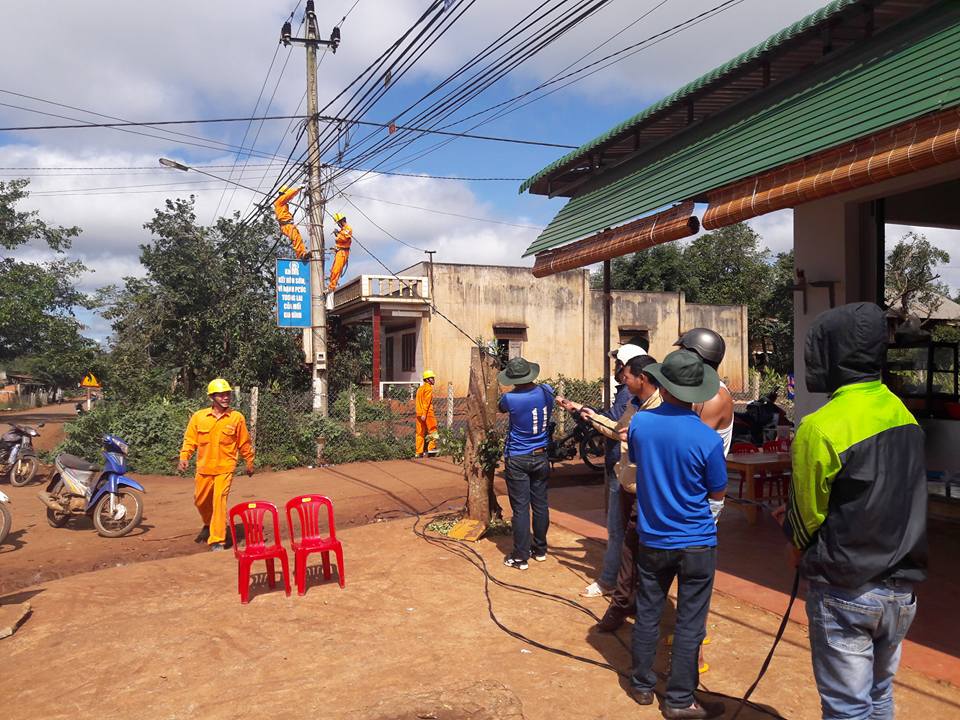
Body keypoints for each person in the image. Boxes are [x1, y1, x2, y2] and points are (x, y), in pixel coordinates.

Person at [778, 303, 927, 719]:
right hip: (901, 592)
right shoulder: (904, 416)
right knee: (880, 695)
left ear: (829, 356)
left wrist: (794, 544)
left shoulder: (820, 426)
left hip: (846, 590)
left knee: (846, 707)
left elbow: (807, 516)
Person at [627, 350, 727, 718]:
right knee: (689, 622)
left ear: (663, 386)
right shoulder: (707, 439)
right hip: (697, 540)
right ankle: (680, 699)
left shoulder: (641, 423)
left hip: (653, 537)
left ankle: (641, 684)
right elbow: (717, 491)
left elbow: (637, 460)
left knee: (649, 613)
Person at [557, 343, 647, 597]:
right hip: (622, 465)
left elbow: (617, 429)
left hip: (625, 468)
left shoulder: (629, 395)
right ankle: (626, 580)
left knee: (618, 527)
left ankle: (610, 580)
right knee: (624, 527)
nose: (618, 370)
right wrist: (583, 411)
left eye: (620, 365)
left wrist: (587, 414)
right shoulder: (631, 394)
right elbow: (614, 423)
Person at [589, 353, 661, 631]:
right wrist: (589, 414)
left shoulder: (659, 409)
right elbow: (618, 431)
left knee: (643, 551)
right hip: (628, 485)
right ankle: (626, 603)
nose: (623, 378)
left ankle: (630, 606)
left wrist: (633, 436)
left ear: (642, 378)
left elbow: (634, 437)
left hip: (648, 492)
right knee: (631, 549)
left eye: (626, 374)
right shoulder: (634, 403)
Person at [178, 378, 255, 552]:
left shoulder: (236, 418)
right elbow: (190, 440)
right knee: (200, 501)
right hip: (204, 469)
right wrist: (184, 457)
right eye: (221, 395)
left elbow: (244, 443)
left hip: (225, 469)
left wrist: (249, 461)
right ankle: (208, 524)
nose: (225, 397)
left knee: (219, 502)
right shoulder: (199, 417)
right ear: (212, 397)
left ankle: (217, 540)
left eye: (227, 394)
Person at [497, 356, 554, 571]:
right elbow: (547, 395)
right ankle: (540, 549)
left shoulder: (510, 399)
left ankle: (521, 556)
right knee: (540, 504)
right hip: (541, 456)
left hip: (518, 457)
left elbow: (500, 407)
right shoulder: (546, 391)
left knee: (521, 508)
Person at [675, 328, 734, 454]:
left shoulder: (713, 396)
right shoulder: (690, 389)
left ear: (696, 357)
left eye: (682, 353)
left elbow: (692, 446)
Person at [273, 186, 308, 259]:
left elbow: (288, 195)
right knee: (296, 238)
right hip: (286, 225)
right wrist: (297, 189)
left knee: (298, 238)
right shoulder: (280, 200)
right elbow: (289, 195)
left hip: (287, 224)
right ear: (283, 193)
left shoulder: (282, 203)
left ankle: (303, 253)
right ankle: (301, 255)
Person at [415, 370, 439, 458]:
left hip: (418, 413)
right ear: (427, 379)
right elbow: (426, 402)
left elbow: (418, 402)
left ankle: (419, 452)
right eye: (432, 378)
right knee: (433, 431)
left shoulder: (420, 388)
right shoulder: (428, 388)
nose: (434, 379)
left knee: (420, 433)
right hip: (427, 413)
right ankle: (431, 449)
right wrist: (424, 414)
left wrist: (420, 413)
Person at [327, 212, 353, 292]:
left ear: (341, 221)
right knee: (333, 270)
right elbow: (341, 239)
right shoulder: (343, 230)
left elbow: (344, 238)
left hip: (343, 253)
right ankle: (331, 286)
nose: (338, 225)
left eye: (338, 223)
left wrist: (337, 234)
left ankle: (332, 287)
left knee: (336, 270)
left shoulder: (348, 228)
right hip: (340, 251)